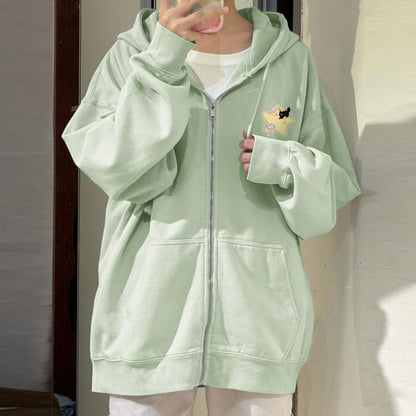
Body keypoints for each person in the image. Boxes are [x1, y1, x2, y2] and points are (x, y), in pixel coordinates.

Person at [61, 0, 361, 414]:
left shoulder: (289, 58)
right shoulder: (131, 54)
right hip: (147, 311)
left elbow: (326, 197)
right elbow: (113, 164)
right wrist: (164, 58)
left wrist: (280, 161)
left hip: (258, 320)